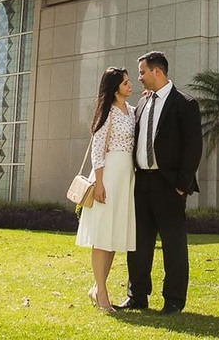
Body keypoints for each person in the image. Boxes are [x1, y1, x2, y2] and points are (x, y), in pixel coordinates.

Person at [117, 50, 202, 315]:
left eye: (142, 72)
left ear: (157, 71)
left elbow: (193, 147)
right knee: (138, 244)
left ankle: (174, 300)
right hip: (141, 183)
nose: (139, 78)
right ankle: (137, 296)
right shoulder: (142, 103)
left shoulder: (185, 104)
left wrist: (181, 185)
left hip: (170, 186)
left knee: (173, 245)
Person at [75, 66, 136, 313]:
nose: (130, 85)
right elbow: (97, 150)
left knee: (112, 237)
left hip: (126, 177)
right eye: (125, 83)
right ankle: (101, 292)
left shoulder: (132, 111)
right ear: (114, 89)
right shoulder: (107, 112)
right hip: (107, 176)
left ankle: (96, 287)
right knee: (101, 237)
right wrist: (99, 183)